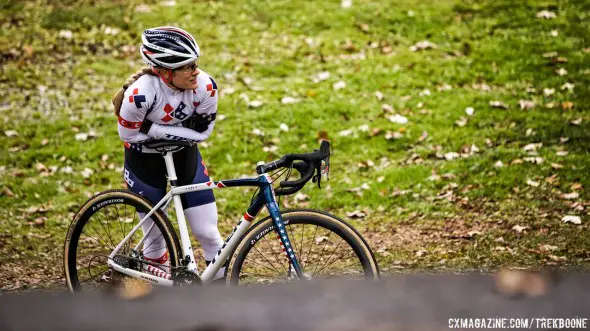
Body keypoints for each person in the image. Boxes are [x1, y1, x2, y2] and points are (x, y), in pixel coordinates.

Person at [111, 26, 224, 280]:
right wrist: (174, 132)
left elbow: (203, 134)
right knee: (156, 242)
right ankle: (161, 306)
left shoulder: (206, 88)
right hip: (144, 161)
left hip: (185, 157)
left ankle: (224, 299)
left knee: (208, 233)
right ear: (163, 72)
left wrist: (154, 129)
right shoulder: (139, 96)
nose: (195, 71)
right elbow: (128, 136)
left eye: (195, 63)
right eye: (186, 67)